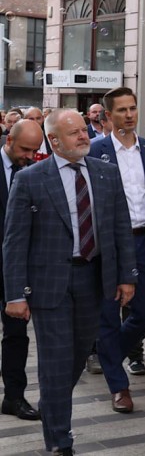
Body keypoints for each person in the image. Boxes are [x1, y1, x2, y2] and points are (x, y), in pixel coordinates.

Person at [3, 110, 136, 455]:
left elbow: (121, 228)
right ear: (54, 141)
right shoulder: (31, 179)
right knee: (56, 361)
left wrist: (126, 276)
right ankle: (60, 441)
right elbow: (14, 241)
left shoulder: (106, 173)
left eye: (83, 130)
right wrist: (14, 294)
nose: (83, 136)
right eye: (73, 132)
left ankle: (52, 400)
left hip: (94, 278)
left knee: (77, 356)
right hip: (49, 284)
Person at [89, 87, 145, 413]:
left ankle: (107, 354)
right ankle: (119, 386)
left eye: (133, 108)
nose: (129, 115)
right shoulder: (95, 150)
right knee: (109, 316)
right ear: (108, 116)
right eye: (121, 110)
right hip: (108, 243)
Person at [0, 121, 44, 421]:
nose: (30, 156)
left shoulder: (33, 173)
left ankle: (14, 397)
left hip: (17, 268)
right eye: (25, 149)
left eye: (35, 150)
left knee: (17, 334)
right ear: (9, 141)